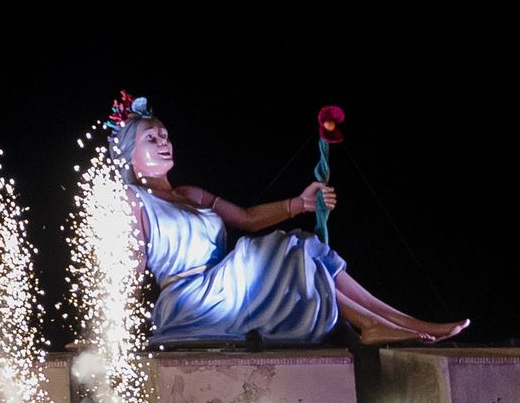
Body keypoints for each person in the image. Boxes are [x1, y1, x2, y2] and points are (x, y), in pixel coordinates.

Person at [108, 92, 467, 347]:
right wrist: (109, 326)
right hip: (190, 299)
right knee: (284, 246)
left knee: (306, 243)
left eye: (165, 135)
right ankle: (373, 324)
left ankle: (403, 322)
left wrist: (299, 203)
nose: (164, 142)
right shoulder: (134, 200)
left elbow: (246, 219)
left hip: (225, 284)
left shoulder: (191, 194)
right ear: (130, 153)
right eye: (151, 138)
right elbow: (132, 266)